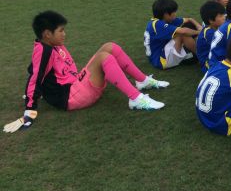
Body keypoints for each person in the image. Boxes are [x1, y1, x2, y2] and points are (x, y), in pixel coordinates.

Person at [3, 11, 168, 132]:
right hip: (69, 97)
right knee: (104, 57)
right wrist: (29, 110)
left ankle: (142, 81)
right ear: (47, 34)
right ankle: (136, 99)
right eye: (60, 31)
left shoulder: (50, 45)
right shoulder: (44, 51)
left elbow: (34, 70)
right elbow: (35, 76)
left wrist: (40, 92)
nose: (64, 34)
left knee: (110, 47)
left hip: (75, 85)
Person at [144, 0, 202, 69]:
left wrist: (198, 26)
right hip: (161, 61)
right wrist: (199, 32)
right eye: (173, 12)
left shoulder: (160, 21)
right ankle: (203, 57)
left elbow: (189, 19)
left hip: (161, 52)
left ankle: (200, 48)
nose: (175, 14)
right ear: (166, 14)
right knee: (183, 34)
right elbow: (184, 31)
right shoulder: (158, 24)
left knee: (189, 25)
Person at [196, 0, 227, 73]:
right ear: (211, 20)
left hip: (219, 58)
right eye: (220, 16)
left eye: (223, 15)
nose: (224, 18)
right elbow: (224, 47)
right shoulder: (209, 33)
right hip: (209, 64)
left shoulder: (218, 27)